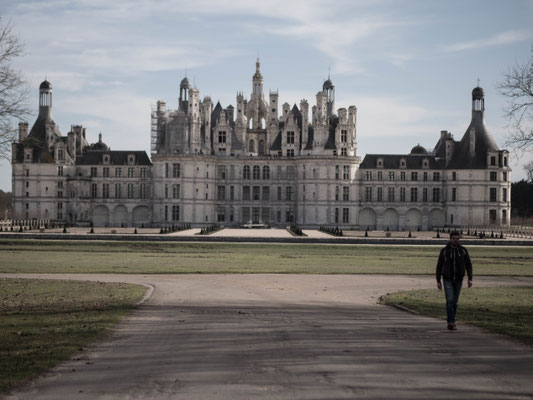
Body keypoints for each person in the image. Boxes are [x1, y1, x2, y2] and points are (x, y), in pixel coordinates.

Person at [436, 231, 473, 330]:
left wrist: (470, 278)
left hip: (458, 279)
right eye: (454, 238)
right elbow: (439, 266)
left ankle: (452, 320)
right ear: (450, 238)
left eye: (457, 238)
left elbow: (468, 265)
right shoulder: (444, 251)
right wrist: (438, 280)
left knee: (455, 301)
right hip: (447, 279)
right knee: (450, 300)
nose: (456, 240)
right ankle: (451, 322)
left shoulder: (463, 251)